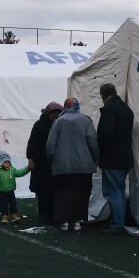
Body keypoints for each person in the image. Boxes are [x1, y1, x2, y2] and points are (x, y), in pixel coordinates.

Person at [46, 97, 98, 232]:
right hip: (84, 168)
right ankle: (77, 222)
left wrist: (53, 162)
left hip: (61, 167)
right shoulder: (86, 120)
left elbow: (50, 146)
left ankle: (63, 222)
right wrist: (95, 160)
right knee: (81, 194)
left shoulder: (58, 122)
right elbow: (93, 142)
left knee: (63, 194)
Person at [97, 83, 135, 236]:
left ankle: (117, 223)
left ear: (103, 95)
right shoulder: (127, 109)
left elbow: (106, 133)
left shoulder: (109, 110)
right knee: (119, 190)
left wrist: (100, 151)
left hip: (112, 158)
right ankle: (119, 221)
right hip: (125, 157)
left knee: (113, 191)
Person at [26, 101, 63, 225]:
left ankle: (53, 214)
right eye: (53, 117)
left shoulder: (61, 125)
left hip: (55, 163)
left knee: (54, 190)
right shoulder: (39, 125)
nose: (55, 119)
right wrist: (31, 159)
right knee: (43, 191)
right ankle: (44, 215)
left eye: (58, 116)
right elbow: (32, 143)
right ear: (48, 115)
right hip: (41, 164)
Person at [0, 151, 31, 223]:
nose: (7, 163)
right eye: (5, 162)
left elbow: (20, 172)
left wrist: (27, 168)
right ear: (0, 163)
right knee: (3, 205)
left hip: (11, 192)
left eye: (8, 162)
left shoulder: (12, 170)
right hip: (2, 193)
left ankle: (14, 215)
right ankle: (4, 217)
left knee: (13, 204)